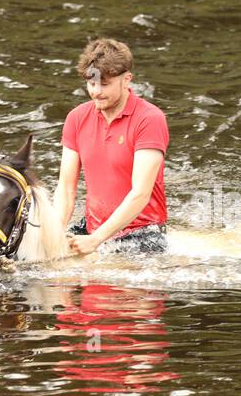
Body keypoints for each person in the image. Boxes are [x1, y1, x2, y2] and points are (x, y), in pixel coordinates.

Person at [54, 38, 169, 256]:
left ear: (126, 80)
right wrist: (55, 232)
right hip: (92, 229)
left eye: (104, 84)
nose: (96, 91)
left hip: (143, 232)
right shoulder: (76, 118)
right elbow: (66, 188)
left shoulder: (150, 119)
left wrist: (96, 240)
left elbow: (140, 193)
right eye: (91, 83)